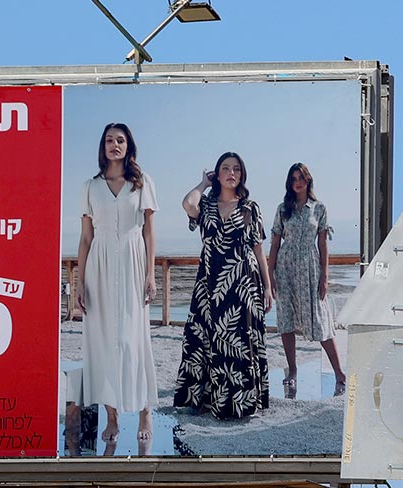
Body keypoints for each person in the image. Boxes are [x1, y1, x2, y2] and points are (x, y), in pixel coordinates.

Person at [68, 123, 157, 455]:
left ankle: (146, 411)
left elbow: (149, 232)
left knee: (133, 339)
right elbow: (86, 238)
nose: (114, 145)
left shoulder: (142, 183)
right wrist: (79, 281)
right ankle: (112, 416)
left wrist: (151, 274)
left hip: (133, 263)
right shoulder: (89, 187)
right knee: (104, 341)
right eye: (109, 140)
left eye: (120, 140)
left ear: (128, 146)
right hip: (100, 267)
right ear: (102, 147)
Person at [172, 152, 272, 421]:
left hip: (243, 282)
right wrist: (204, 183)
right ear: (217, 174)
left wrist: (268, 286)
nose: (231, 173)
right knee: (201, 336)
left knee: (239, 338)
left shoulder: (251, 207)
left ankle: (239, 402)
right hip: (210, 280)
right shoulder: (206, 205)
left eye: (236, 168)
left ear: (242, 174)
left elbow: (259, 249)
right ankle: (204, 399)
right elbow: (187, 204)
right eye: (225, 168)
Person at [266, 162, 347, 398]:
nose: (298, 182)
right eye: (293, 179)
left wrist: (325, 276)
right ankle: (292, 370)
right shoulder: (283, 209)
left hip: (310, 268)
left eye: (301, 177)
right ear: (290, 183)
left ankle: (340, 373)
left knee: (321, 320)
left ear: (308, 180)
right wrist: (269, 276)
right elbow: (274, 244)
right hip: (285, 267)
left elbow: (323, 244)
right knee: (287, 320)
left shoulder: (319, 208)